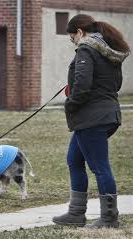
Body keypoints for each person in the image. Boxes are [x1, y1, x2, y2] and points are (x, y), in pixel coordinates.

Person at [52, 14, 130, 228]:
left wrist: (70, 103)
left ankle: (109, 218)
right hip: (107, 114)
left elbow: (83, 85)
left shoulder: (87, 49)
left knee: (100, 166)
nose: (73, 41)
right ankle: (76, 213)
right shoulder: (107, 50)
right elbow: (116, 84)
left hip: (92, 117)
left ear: (79, 32)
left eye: (72, 37)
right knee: (74, 160)